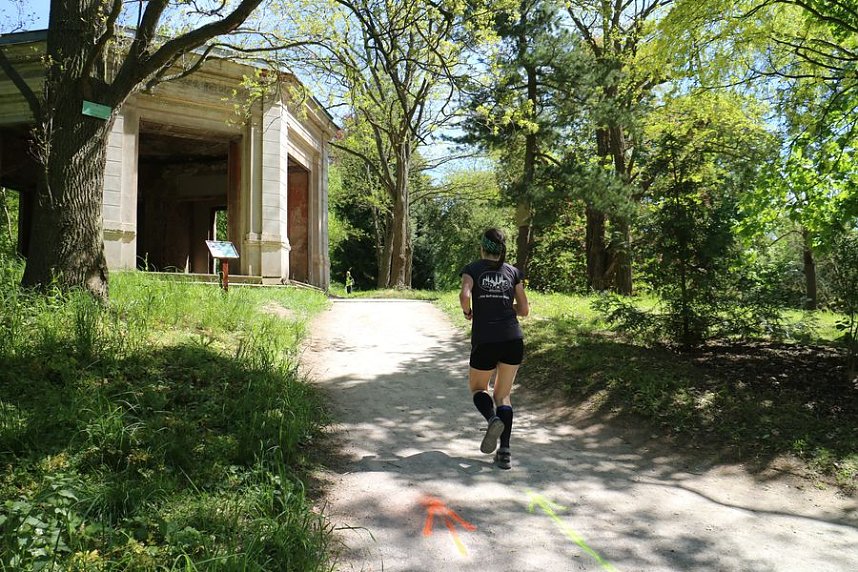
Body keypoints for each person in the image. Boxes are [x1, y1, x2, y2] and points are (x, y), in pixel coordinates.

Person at [459, 228, 529, 469]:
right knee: (503, 395)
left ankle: (492, 418)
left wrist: (468, 311)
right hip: (512, 339)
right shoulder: (513, 272)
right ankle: (505, 452)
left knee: (479, 388)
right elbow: (524, 309)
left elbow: (464, 294)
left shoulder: (473, 269)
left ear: (482, 247)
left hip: (485, 339)